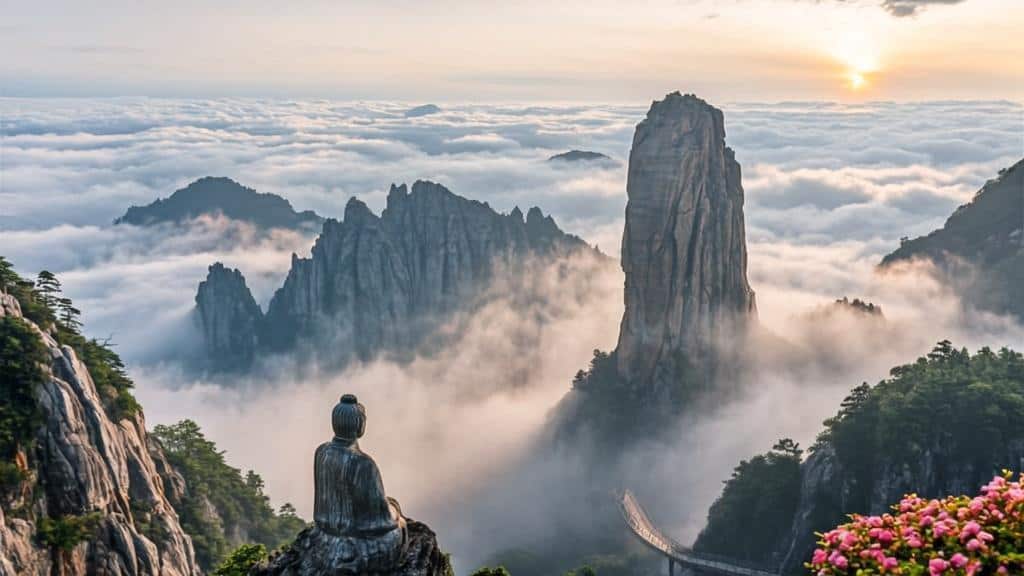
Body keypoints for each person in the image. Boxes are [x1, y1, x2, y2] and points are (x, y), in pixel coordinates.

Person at [313, 394, 408, 572]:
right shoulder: (363, 463)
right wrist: (395, 513)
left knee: (391, 503)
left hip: (323, 538)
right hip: (353, 545)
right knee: (399, 523)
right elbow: (381, 521)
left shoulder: (322, 451)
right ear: (359, 424)